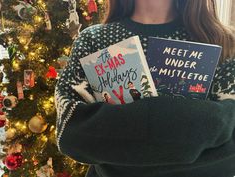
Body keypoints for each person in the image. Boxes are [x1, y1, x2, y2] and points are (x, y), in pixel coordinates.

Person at [55, 0, 235, 176]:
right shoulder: (92, 40)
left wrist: (115, 133)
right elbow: (71, 132)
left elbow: (231, 139)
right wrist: (201, 125)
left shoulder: (225, 43)